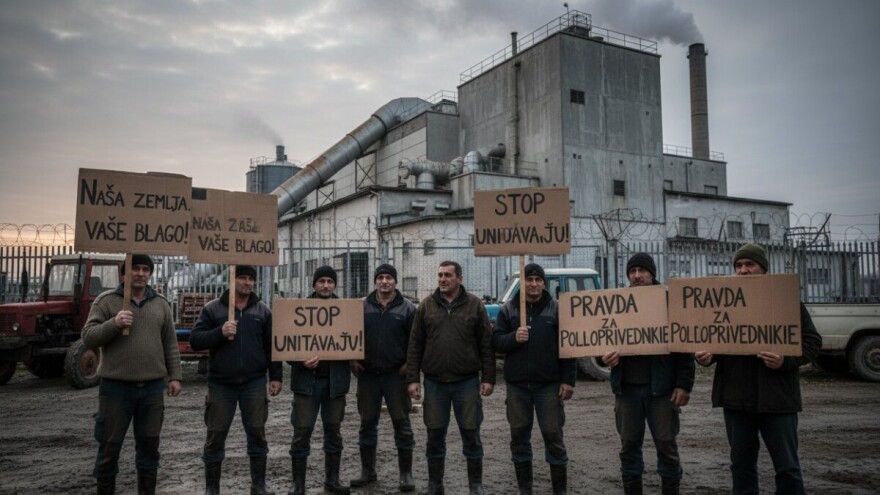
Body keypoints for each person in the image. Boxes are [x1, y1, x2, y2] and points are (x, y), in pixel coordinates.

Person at [695, 243, 821, 494]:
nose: (743, 270)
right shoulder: (723, 303)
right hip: (736, 400)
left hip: (777, 400)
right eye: (738, 266)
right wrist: (706, 356)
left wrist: (785, 360)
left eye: (749, 264)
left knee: (787, 467)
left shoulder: (784, 300)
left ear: (763, 269)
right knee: (741, 466)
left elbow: (812, 342)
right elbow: (715, 340)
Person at [81, 254, 182, 495]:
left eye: (145, 269)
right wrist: (114, 323)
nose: (140, 273)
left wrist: (175, 376)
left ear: (150, 274)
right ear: (124, 274)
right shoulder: (107, 301)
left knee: (149, 448)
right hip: (116, 389)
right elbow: (88, 336)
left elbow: (170, 342)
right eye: (135, 268)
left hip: (152, 389)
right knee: (109, 447)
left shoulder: (160, 304)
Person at [602, 253, 695, 495]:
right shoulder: (618, 303)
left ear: (652, 273)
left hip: (662, 391)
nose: (637, 275)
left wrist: (684, 384)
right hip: (627, 390)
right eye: (632, 271)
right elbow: (603, 339)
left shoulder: (668, 301)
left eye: (642, 270)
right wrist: (606, 357)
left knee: (666, 445)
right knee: (629, 446)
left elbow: (684, 346)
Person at [190, 265, 282, 495]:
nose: (247, 283)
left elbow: (272, 346)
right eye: (243, 278)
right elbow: (196, 340)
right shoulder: (213, 309)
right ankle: (212, 488)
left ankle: (258, 485)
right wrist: (219, 332)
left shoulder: (263, 311)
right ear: (233, 279)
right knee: (215, 435)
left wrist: (276, 377)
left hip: (253, 383)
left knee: (257, 433)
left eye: (251, 279)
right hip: (221, 385)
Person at [407, 260, 496, 495]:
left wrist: (488, 378)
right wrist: (413, 379)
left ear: (460, 279)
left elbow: (486, 345)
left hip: (466, 383)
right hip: (435, 383)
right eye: (440, 275)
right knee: (434, 435)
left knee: (471, 433)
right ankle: (435, 485)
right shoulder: (426, 306)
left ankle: (475, 485)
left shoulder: (475, 306)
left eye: (448, 275)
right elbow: (415, 345)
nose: (442, 279)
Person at [491, 263, 576, 495]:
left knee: (553, 436)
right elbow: (496, 341)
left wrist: (568, 380)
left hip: (548, 386)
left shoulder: (556, 309)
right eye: (529, 280)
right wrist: (513, 337)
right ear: (523, 282)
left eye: (538, 280)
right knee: (519, 437)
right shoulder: (509, 310)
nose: (534, 284)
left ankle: (560, 490)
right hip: (517, 387)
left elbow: (568, 347)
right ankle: (525, 489)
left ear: (544, 283)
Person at [350, 264, 417, 492]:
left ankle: (406, 474)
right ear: (375, 281)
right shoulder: (361, 306)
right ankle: (368, 472)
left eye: (389, 277)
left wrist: (409, 365)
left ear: (395, 282)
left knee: (402, 423)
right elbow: (348, 336)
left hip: (395, 376)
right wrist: (352, 359)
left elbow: (415, 341)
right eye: (380, 278)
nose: (384, 281)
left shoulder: (408, 309)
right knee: (367, 424)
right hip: (367, 375)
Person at [287, 265, 351, 495]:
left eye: (330, 282)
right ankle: (298, 485)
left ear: (335, 285)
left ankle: (332, 481)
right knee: (301, 431)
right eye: (321, 281)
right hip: (306, 384)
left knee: (333, 431)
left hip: (336, 385)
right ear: (314, 284)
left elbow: (355, 343)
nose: (326, 285)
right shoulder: (298, 311)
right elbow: (285, 346)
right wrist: (300, 361)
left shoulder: (346, 311)